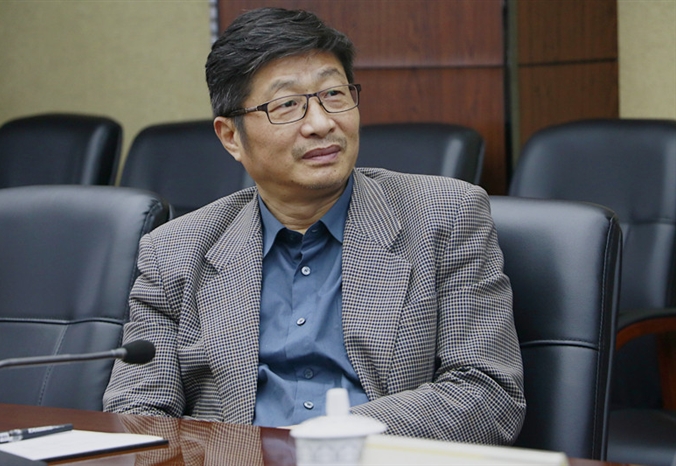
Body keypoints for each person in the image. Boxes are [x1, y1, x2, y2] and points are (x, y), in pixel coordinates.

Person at [103, 7, 526, 445]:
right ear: (231, 136)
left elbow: (487, 392)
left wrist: (323, 440)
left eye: (334, 95)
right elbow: (136, 413)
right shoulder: (174, 252)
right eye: (287, 105)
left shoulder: (444, 217)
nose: (322, 123)